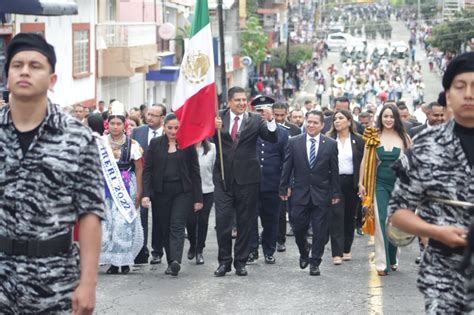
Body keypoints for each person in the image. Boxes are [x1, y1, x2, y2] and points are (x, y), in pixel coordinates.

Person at [0, 33, 104, 314]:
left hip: (55, 281)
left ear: (52, 79)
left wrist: (88, 283)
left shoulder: (77, 138)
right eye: (17, 64)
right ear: (7, 76)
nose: (24, 71)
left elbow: (90, 213)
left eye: (35, 66)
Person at [388, 52, 474, 313]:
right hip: (445, 276)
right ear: (447, 95)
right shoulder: (425, 146)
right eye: (460, 87)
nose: (469, 94)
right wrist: (435, 232)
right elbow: (398, 214)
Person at [213, 86, 277, 277]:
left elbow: (271, 137)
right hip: (223, 179)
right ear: (229, 101)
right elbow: (205, 139)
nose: (241, 103)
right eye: (237, 100)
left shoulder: (255, 120)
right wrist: (211, 129)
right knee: (223, 222)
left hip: (248, 179)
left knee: (245, 222)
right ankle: (224, 262)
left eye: (244, 100)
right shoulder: (218, 118)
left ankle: (240, 261)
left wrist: (271, 120)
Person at [280, 110, 340, 276]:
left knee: (320, 230)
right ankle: (304, 249)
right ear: (305, 122)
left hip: (322, 193)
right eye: (309, 122)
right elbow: (287, 167)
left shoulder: (330, 144)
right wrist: (283, 187)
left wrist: (335, 193)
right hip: (300, 192)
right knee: (298, 227)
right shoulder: (294, 142)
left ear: (322, 125)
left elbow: (334, 170)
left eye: (315, 123)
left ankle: (315, 262)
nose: (311, 125)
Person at [142, 113, 203, 276]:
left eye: (176, 128)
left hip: (182, 192)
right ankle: (171, 261)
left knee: (176, 224)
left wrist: (198, 198)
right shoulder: (155, 144)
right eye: (170, 128)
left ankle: (176, 260)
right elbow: (147, 170)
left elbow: (194, 172)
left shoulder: (187, 145)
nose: (173, 131)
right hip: (161, 192)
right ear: (164, 127)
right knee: (164, 226)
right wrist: (145, 193)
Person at [358, 103, 411, 276]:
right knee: (380, 220)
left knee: (394, 222)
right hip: (378, 184)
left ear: (396, 118)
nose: (388, 120)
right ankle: (382, 264)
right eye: (385, 116)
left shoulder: (405, 138)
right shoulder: (373, 136)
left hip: (399, 186)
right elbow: (365, 162)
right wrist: (361, 183)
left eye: (391, 116)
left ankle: (393, 256)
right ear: (380, 118)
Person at [99, 101, 144, 274]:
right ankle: (112, 261)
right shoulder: (100, 143)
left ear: (124, 125)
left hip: (126, 186)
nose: (115, 127)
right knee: (108, 224)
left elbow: (139, 168)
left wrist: (139, 191)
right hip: (105, 187)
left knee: (123, 224)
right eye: (112, 123)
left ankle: (123, 261)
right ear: (107, 124)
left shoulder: (132, 145)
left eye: (119, 123)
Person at [249, 97, 289, 264]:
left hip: (272, 183)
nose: (262, 115)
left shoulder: (282, 132)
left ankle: (269, 249)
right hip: (251, 182)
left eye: (265, 112)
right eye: (259, 112)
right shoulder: (249, 129)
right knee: (250, 219)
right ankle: (252, 250)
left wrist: (285, 184)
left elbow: (286, 160)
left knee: (271, 220)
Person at [326, 109, 364, 264]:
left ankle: (346, 249)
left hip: (352, 183)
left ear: (349, 121)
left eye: (341, 118)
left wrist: (362, 183)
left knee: (349, 217)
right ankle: (336, 253)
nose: (337, 121)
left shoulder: (359, 140)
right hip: (334, 183)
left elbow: (363, 163)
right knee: (336, 216)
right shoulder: (328, 139)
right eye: (335, 119)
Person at [131, 103, 166, 265]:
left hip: (162, 181)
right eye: (148, 114)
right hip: (142, 179)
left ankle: (157, 251)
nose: (149, 118)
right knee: (142, 215)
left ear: (162, 118)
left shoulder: (168, 133)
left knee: (159, 217)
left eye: (153, 115)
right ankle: (141, 249)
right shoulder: (138, 132)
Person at [273, 102, 301, 252]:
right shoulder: (267, 127)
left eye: (282, 115)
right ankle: (272, 237)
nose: (278, 118)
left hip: (290, 173)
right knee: (273, 209)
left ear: (287, 113)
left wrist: (290, 181)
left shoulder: (294, 130)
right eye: (276, 115)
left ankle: (280, 239)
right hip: (272, 173)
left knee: (285, 209)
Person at [186, 139, 216, 265]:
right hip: (189, 190)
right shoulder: (186, 147)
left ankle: (199, 250)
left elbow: (215, 168)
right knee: (190, 221)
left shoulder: (212, 148)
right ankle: (193, 243)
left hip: (207, 189)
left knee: (203, 221)